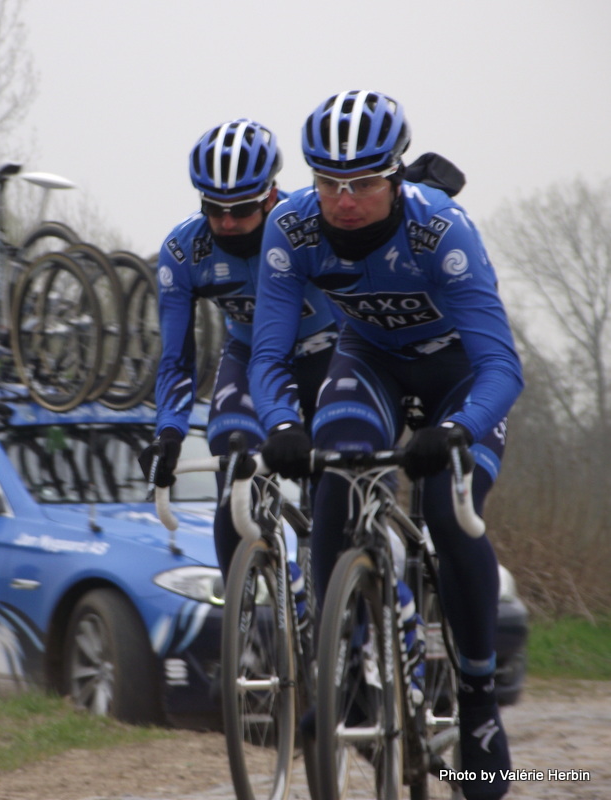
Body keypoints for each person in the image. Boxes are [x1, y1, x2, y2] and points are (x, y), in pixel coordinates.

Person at [248, 90, 524, 800]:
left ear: (395, 175)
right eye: (329, 182)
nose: (344, 200)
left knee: (442, 503)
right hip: (368, 361)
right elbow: (269, 352)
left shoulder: (443, 232)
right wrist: (280, 423)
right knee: (335, 473)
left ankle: (478, 700)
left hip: (461, 376)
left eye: (364, 182)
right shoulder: (292, 227)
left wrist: (458, 431)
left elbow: (501, 365)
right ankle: (338, 674)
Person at [139, 118, 338, 582]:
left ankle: (365, 607)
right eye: (214, 207)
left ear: (271, 194)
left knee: (339, 496)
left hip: (330, 355)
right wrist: (168, 433)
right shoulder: (186, 250)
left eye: (243, 208)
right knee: (233, 480)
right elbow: (176, 358)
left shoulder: (311, 225)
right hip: (249, 360)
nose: (227, 222)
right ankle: (256, 616)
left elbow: (362, 206)